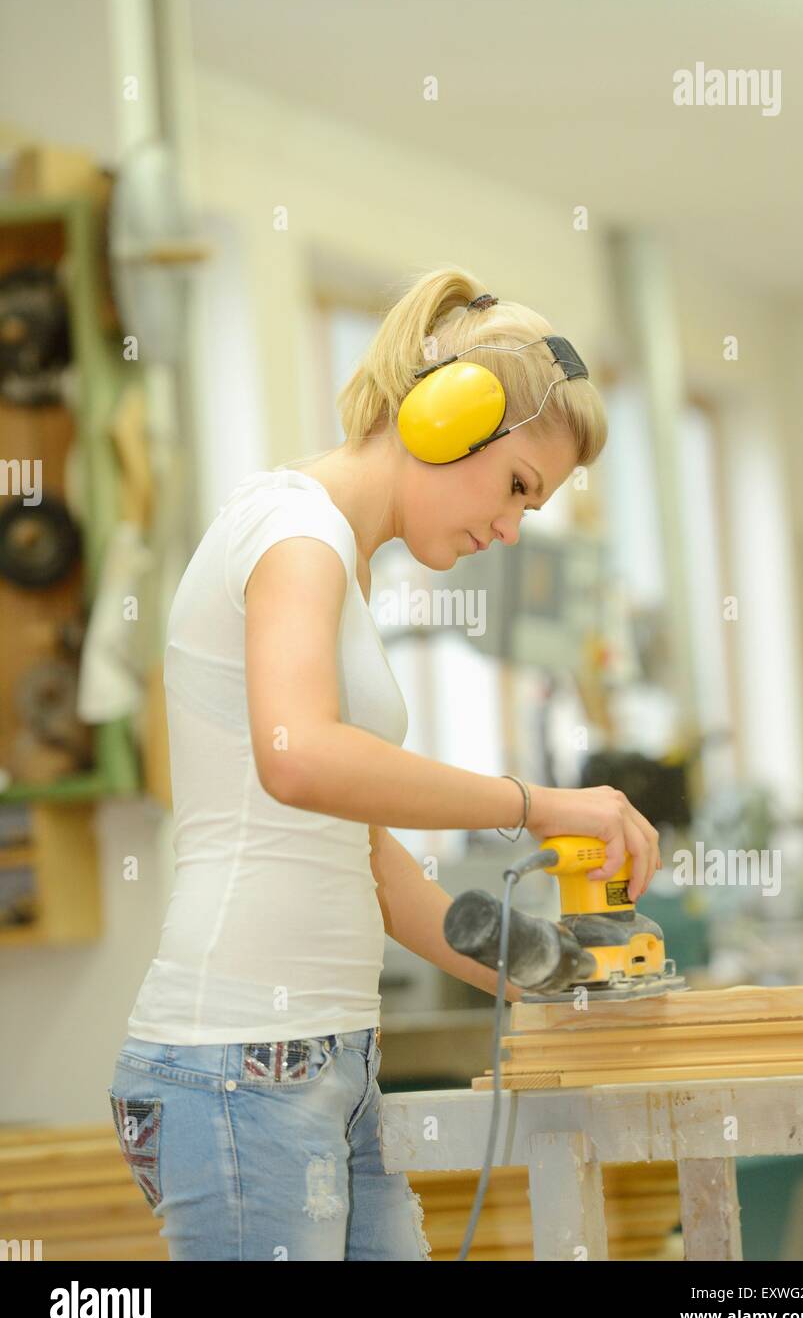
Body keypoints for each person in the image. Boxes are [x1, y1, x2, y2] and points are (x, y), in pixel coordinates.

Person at [107, 265, 661, 1261]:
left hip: (328, 1059)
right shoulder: (292, 532)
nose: (508, 528)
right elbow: (299, 760)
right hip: (240, 1062)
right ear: (444, 419)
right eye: (518, 488)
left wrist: (559, 974)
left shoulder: (338, 563)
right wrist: (535, 803)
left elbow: (378, 875)